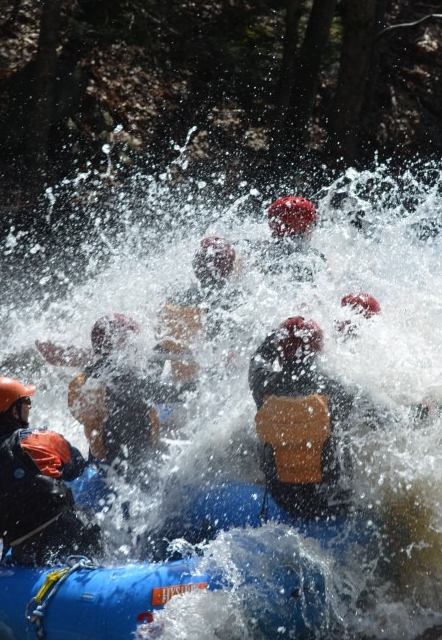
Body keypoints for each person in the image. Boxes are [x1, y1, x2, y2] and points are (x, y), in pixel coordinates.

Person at [0, 376, 102, 566]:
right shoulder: (46, 439)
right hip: (68, 533)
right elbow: (78, 471)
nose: (30, 406)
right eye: (26, 401)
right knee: (92, 519)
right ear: (14, 411)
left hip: (24, 549)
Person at [248, 316, 381, 520]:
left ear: (280, 350)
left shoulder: (262, 384)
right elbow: (382, 419)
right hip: (331, 504)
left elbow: (258, 358)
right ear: (318, 350)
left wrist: (280, 334)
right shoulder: (337, 390)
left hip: (283, 499)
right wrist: (423, 411)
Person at [67, 313, 194, 480]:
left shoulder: (83, 380)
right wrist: (198, 384)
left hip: (100, 460)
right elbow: (170, 393)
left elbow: (139, 383)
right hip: (131, 469)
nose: (138, 347)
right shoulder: (129, 382)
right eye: (133, 340)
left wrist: (162, 349)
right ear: (120, 343)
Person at [156, 236, 243, 381]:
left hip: (178, 378)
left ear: (196, 264)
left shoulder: (175, 298)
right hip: (216, 379)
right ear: (229, 268)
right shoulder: (237, 298)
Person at [253, 196, 327, 283]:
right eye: (311, 225)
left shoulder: (260, 254)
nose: (312, 230)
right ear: (301, 228)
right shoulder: (314, 259)